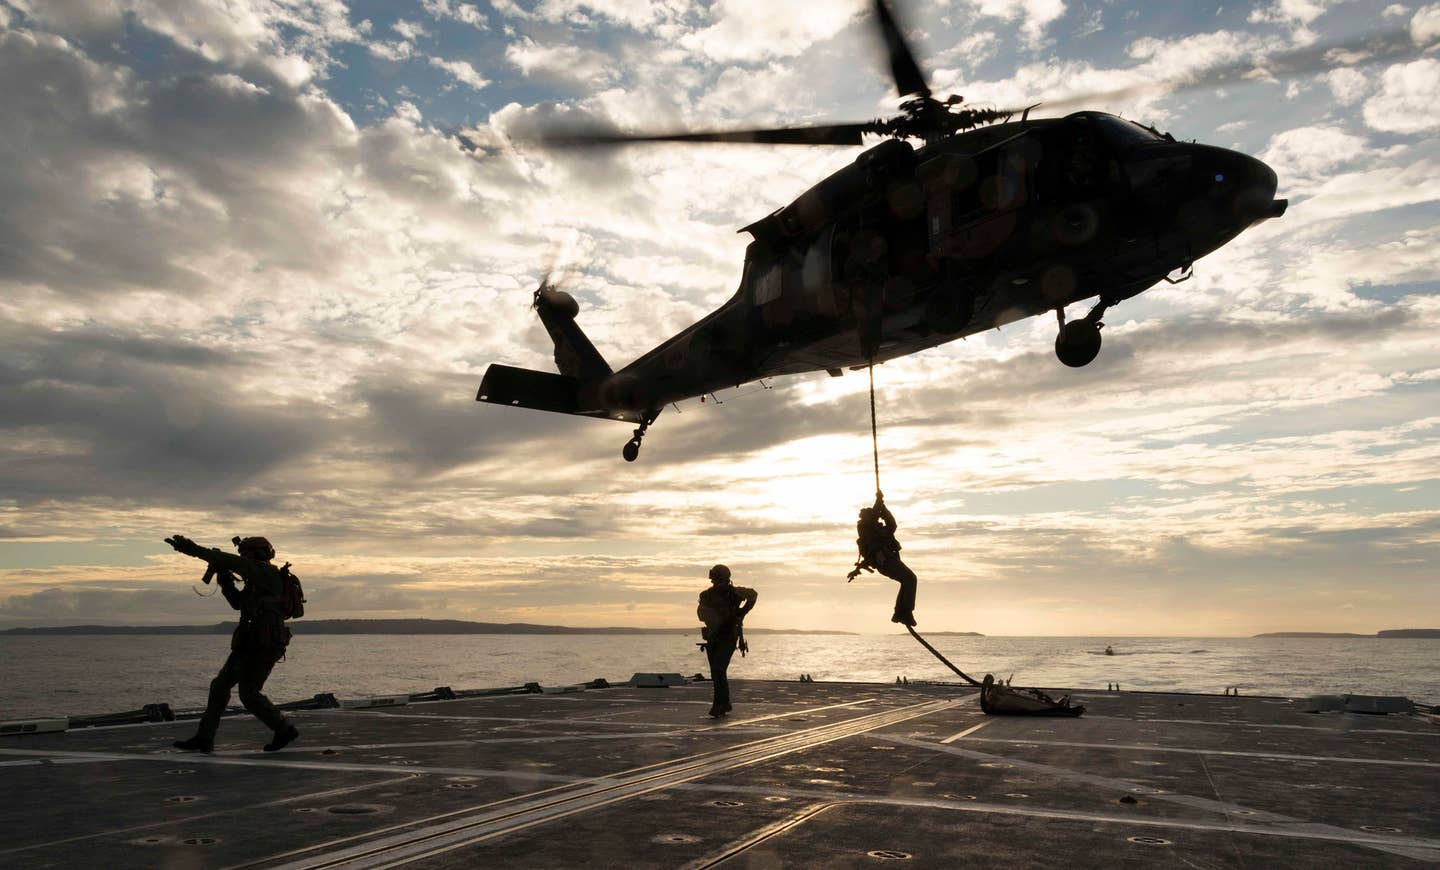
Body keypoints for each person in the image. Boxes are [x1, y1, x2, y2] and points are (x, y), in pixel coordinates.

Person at [166, 534, 300, 753]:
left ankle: (284, 729)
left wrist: (193, 549)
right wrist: (225, 580)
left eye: (246, 554)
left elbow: (234, 563)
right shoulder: (255, 582)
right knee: (219, 687)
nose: (243, 558)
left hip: (264, 644)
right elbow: (238, 604)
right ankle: (204, 738)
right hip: (248, 642)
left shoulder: (266, 573)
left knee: (249, 694)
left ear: (259, 554)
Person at [696, 564, 758, 719]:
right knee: (717, 672)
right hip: (714, 636)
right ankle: (724, 703)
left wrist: (741, 614)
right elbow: (701, 615)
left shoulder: (734, 593)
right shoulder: (708, 595)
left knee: (718, 670)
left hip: (728, 636)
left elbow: (753, 595)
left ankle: (719, 704)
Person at [847, 492, 917, 626]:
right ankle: (904, 612)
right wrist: (878, 500)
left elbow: (892, 525)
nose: (877, 517)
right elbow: (873, 516)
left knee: (907, 580)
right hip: (885, 562)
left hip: (890, 560)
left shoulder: (880, 530)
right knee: (910, 579)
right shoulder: (865, 529)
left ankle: (901, 613)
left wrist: (883, 509)